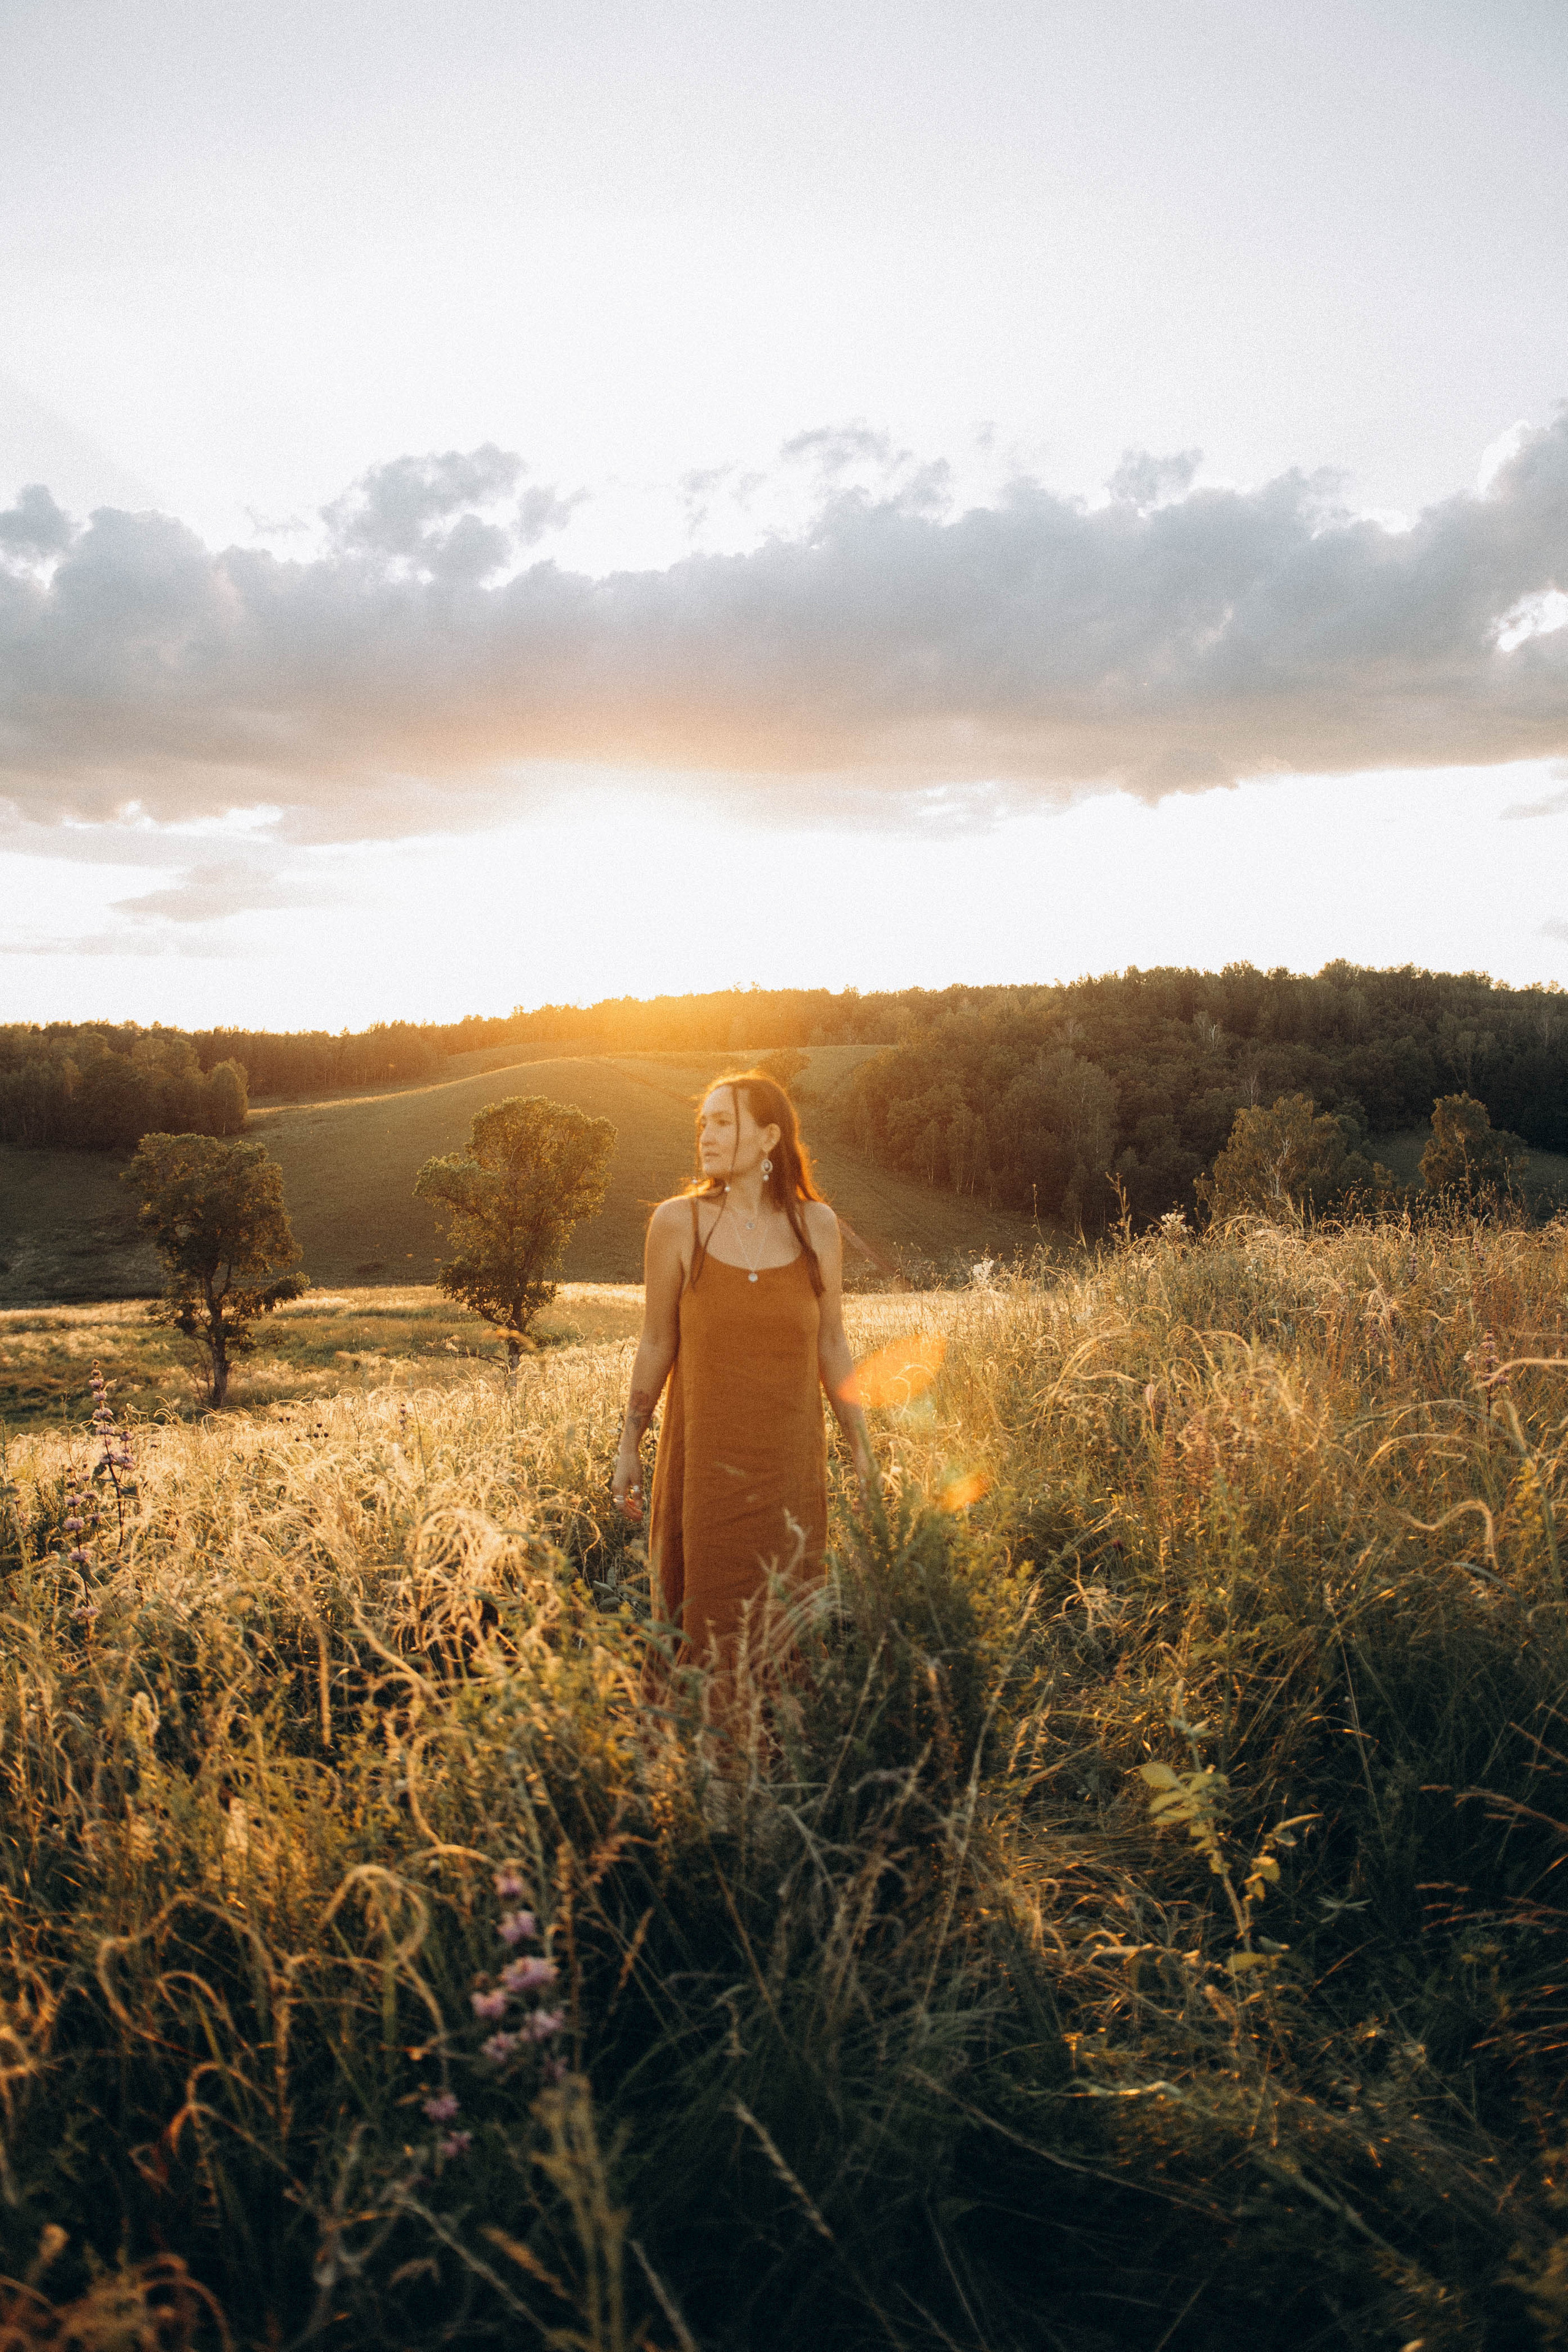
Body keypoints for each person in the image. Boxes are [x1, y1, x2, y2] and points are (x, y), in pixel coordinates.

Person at [612, 1070, 874, 1668]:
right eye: (702, 1121)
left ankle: (780, 1756)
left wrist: (860, 1447)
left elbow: (832, 1344)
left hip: (789, 1471)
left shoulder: (818, 1228)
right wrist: (629, 1443)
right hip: (705, 1470)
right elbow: (656, 1342)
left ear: (769, 1137)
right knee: (707, 1628)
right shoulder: (679, 1223)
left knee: (785, 1625)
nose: (705, 1133)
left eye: (723, 1121)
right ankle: (705, 1755)